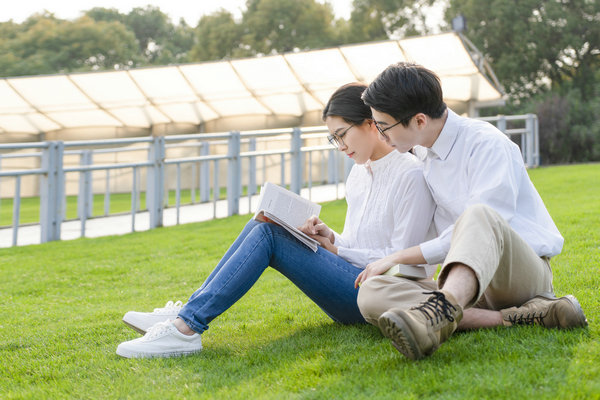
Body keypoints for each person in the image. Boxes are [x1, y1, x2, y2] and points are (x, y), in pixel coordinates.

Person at [116, 82, 436, 358]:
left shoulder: (409, 175)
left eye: (342, 135)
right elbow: (359, 243)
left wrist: (339, 251)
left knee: (269, 235)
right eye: (332, 139)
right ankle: (187, 313)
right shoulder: (358, 174)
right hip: (351, 281)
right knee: (262, 222)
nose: (340, 146)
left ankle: (185, 328)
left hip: (379, 296)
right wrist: (331, 240)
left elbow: (399, 262)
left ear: (370, 123)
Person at [355, 62, 588, 361]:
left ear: (420, 121)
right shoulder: (425, 154)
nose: (381, 136)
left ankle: (438, 313)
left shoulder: (486, 144)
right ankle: (524, 316)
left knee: (478, 214)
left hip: (517, 274)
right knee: (373, 293)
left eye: (383, 126)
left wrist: (399, 256)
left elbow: (485, 225)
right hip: (470, 282)